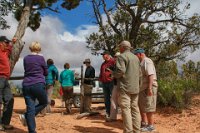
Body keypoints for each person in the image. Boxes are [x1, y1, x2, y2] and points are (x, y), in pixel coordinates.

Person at [19, 41, 48, 133]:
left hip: (26, 85)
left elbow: (26, 69)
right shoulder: (41, 58)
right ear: (39, 49)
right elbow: (46, 72)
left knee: (30, 108)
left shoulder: (26, 58)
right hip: (38, 84)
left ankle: (32, 131)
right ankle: (26, 115)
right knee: (44, 102)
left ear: (30, 48)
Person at [113, 40, 141, 133]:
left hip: (125, 87)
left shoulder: (121, 57)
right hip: (135, 87)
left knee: (126, 109)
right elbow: (140, 73)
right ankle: (137, 130)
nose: (119, 48)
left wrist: (113, 74)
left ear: (122, 47)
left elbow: (120, 71)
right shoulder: (136, 58)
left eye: (119, 46)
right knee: (135, 109)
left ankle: (128, 131)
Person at [134, 48, 158, 132]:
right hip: (143, 88)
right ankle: (144, 123)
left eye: (135, 55)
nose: (135, 57)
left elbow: (150, 75)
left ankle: (151, 126)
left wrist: (150, 88)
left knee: (149, 106)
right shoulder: (141, 63)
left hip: (148, 87)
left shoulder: (147, 61)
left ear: (140, 54)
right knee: (143, 106)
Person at [0, 36, 16, 131]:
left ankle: (5, 123)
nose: (7, 45)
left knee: (10, 99)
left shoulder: (5, 52)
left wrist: (12, 43)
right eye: (6, 43)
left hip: (5, 79)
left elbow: (10, 49)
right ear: (1, 43)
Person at [99, 51, 115, 120]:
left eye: (104, 55)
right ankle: (108, 113)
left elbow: (116, 71)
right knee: (106, 99)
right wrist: (100, 78)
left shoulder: (113, 62)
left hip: (111, 82)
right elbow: (101, 73)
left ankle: (113, 114)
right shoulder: (103, 64)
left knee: (113, 99)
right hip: (104, 83)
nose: (103, 56)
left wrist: (112, 77)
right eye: (102, 55)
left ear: (108, 55)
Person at [106, 52, 120, 122]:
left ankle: (126, 119)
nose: (115, 58)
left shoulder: (122, 64)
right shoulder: (115, 65)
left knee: (123, 102)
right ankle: (113, 117)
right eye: (114, 57)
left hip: (121, 85)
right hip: (115, 84)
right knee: (113, 100)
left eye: (116, 57)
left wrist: (112, 73)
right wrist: (112, 75)